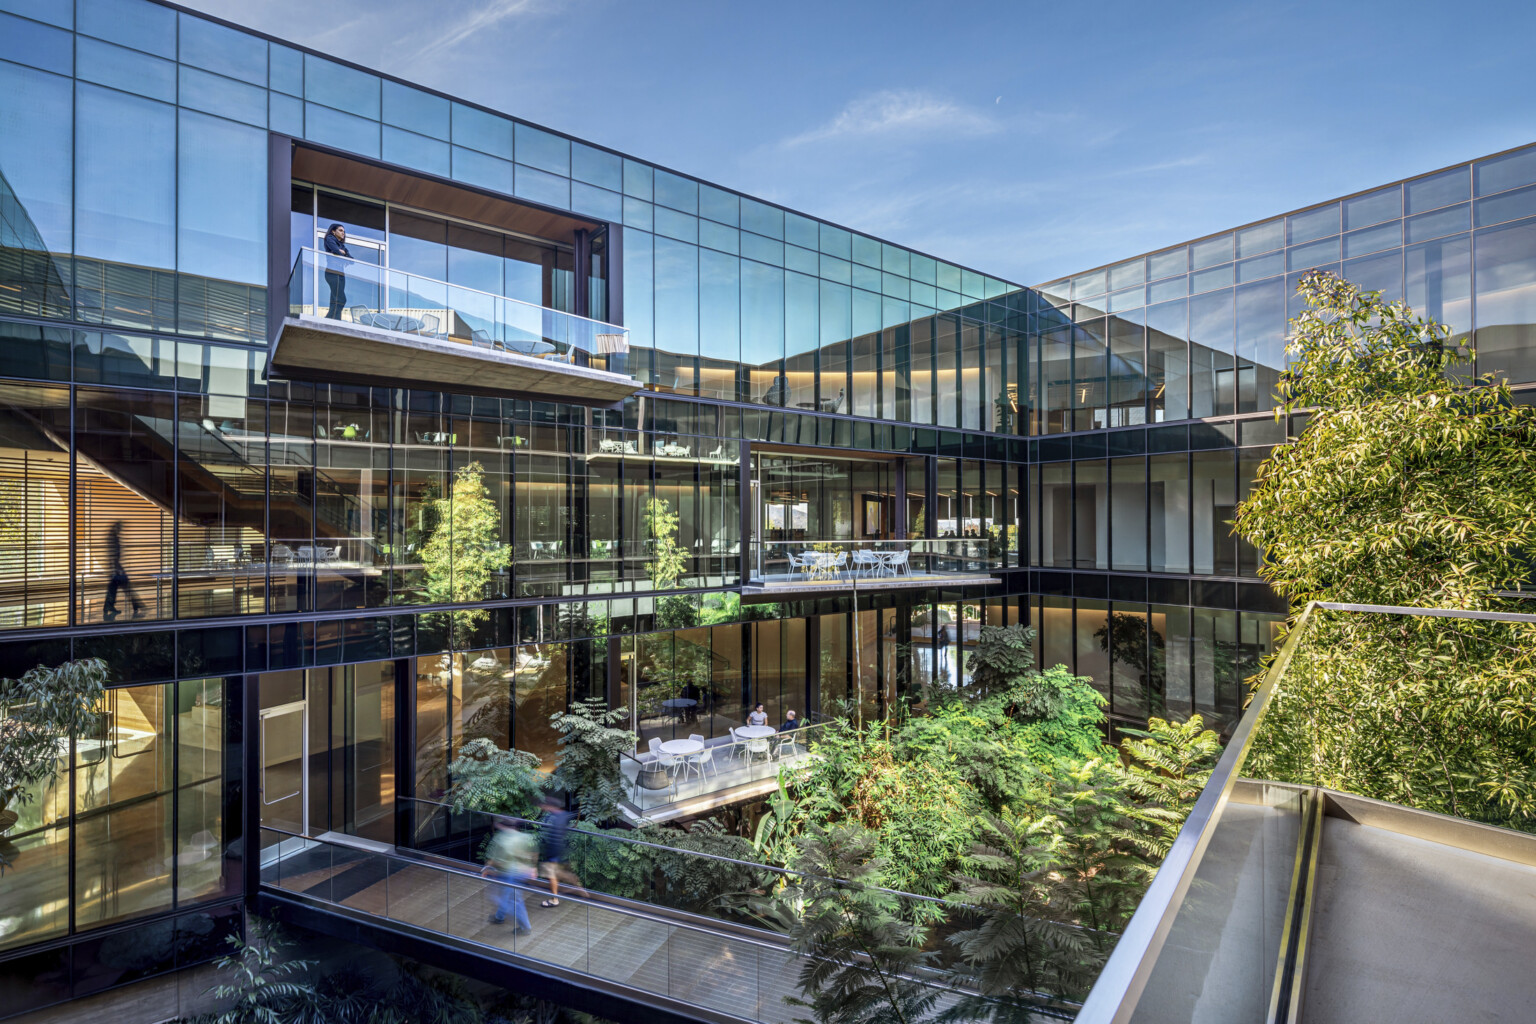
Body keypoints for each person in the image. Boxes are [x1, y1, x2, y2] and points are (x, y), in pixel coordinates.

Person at [482, 819, 535, 934]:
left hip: (508, 873)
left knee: (510, 899)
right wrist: (532, 867)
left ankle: (525, 927)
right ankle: (499, 916)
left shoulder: (500, 839)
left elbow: (494, 860)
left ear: (502, 825)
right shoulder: (525, 837)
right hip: (521, 872)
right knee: (507, 895)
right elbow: (532, 854)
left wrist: (486, 868)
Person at [537, 795, 579, 908]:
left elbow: (552, 836)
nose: (543, 807)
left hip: (553, 851)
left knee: (552, 875)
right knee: (556, 873)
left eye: (545, 805)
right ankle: (576, 884)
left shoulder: (553, 819)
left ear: (550, 806)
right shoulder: (564, 815)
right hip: (561, 849)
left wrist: (550, 855)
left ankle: (555, 899)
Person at [102, 520, 144, 621]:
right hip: (115, 567)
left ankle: (110, 606)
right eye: (120, 528)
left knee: (114, 588)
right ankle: (136, 604)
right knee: (124, 585)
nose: (121, 530)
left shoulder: (113, 538)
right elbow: (112, 555)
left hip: (115, 567)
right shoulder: (112, 539)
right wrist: (116, 569)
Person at [323, 223, 351, 320]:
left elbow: (352, 260)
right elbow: (335, 250)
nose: (343, 233)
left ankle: (333, 319)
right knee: (340, 298)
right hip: (333, 271)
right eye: (340, 230)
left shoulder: (342, 245)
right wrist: (342, 253)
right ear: (333, 231)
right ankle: (331, 319)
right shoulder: (330, 238)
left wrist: (342, 253)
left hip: (340, 272)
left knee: (337, 299)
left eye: (344, 231)